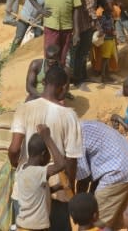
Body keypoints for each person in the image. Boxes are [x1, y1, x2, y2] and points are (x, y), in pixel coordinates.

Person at [9, 66, 83, 231]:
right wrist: (69, 186)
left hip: (25, 189)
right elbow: (71, 160)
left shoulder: (24, 108)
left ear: (43, 82)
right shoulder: (70, 116)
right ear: (63, 87)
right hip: (57, 192)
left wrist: (20, 169)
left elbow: (14, 149)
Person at [76, 120, 128, 229]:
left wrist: (79, 205)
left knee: (95, 222)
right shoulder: (85, 124)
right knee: (115, 219)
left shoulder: (73, 140)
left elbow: (84, 178)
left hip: (117, 172)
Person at [27, 0, 82, 67]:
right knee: (50, 57)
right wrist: (40, 10)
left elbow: (77, 8)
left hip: (67, 27)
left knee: (62, 58)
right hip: (51, 27)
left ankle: (59, 81)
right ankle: (48, 80)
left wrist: (76, 32)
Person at [14, 124, 67, 231]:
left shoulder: (23, 170)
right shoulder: (38, 172)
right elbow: (61, 164)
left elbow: (36, 192)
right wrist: (48, 138)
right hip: (35, 228)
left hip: (23, 226)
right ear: (43, 154)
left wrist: (57, 187)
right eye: (49, 154)